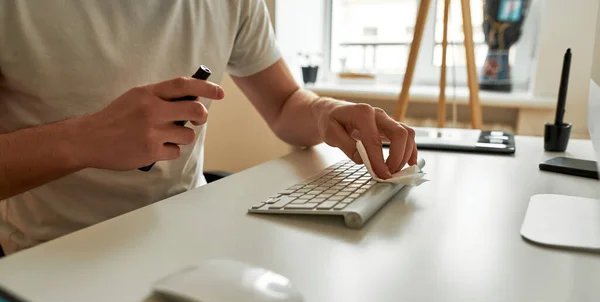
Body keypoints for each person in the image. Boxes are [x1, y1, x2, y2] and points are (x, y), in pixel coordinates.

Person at [0, 0, 417, 255]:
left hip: (187, 232)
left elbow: (287, 104)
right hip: (47, 255)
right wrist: (85, 140)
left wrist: (327, 112)